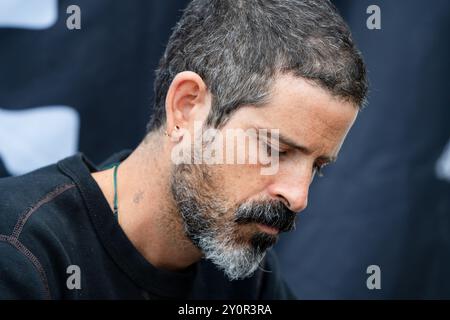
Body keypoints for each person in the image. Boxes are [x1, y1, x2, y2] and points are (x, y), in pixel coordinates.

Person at [0, 0, 367, 299]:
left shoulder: (238, 272)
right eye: (275, 150)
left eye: (317, 166)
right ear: (187, 108)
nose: (298, 196)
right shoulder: (20, 249)